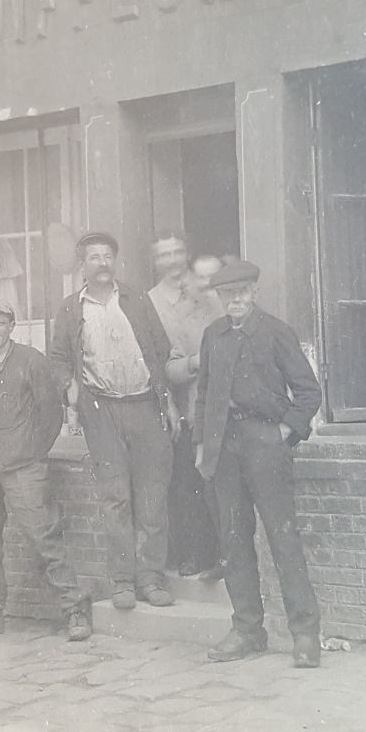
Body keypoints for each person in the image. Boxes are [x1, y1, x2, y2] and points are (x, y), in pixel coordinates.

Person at [194, 260, 325, 668]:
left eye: (241, 292)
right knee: (234, 541)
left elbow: (308, 393)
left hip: (264, 444)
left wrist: (282, 435)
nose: (234, 300)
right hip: (224, 449)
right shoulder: (212, 335)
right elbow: (204, 396)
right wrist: (203, 444)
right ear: (218, 297)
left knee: (282, 539)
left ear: (254, 292)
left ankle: (305, 634)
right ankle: (248, 630)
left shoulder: (275, 332)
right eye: (226, 294)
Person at [48, 231, 182, 610]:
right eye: (94, 257)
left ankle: (151, 578)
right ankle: (123, 581)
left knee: (153, 495)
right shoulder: (72, 308)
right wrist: (70, 387)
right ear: (83, 266)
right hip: (101, 412)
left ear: (114, 262)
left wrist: (167, 402)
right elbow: (57, 358)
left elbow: (161, 350)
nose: (102, 262)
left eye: (108, 256)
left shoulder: (136, 300)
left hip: (144, 406)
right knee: (116, 498)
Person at [0, 297, 92, 643]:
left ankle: (74, 609)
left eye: (0, 323)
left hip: (23, 465)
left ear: (12, 327)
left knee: (42, 534)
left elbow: (50, 414)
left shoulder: (31, 361)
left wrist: (32, 453)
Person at [147, 232, 225, 579]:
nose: (173, 260)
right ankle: (191, 553)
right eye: (165, 255)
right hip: (171, 401)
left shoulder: (204, 293)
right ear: (156, 262)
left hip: (209, 401)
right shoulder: (149, 302)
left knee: (215, 481)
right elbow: (155, 358)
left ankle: (220, 555)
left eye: (179, 252)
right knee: (182, 483)